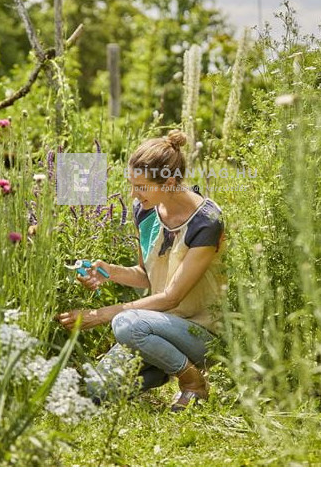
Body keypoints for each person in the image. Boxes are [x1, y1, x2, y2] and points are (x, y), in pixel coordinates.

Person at [56, 130, 226, 411]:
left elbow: (171, 297)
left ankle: (192, 381)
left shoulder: (206, 221)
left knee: (125, 324)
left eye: (142, 186)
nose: (133, 194)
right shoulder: (146, 210)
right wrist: (109, 271)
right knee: (93, 391)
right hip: (153, 327)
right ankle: (160, 364)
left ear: (170, 182)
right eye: (132, 185)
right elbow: (146, 274)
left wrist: (98, 316)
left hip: (201, 334)